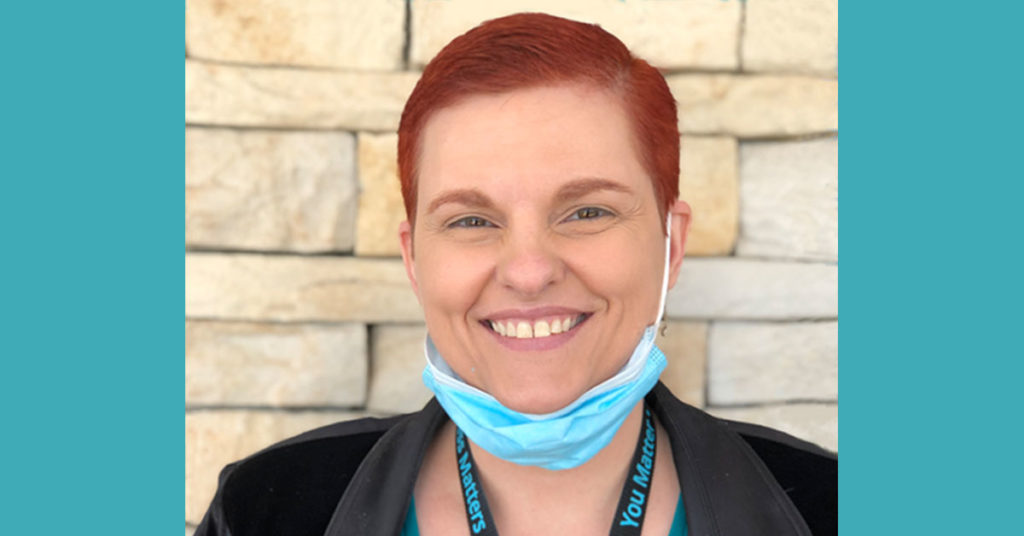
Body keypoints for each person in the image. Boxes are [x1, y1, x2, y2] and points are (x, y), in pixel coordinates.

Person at [195, 13, 836, 536]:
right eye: (471, 221)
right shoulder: (264, 511)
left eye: (587, 211)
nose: (529, 272)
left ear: (670, 246)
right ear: (415, 260)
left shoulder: (829, 508)